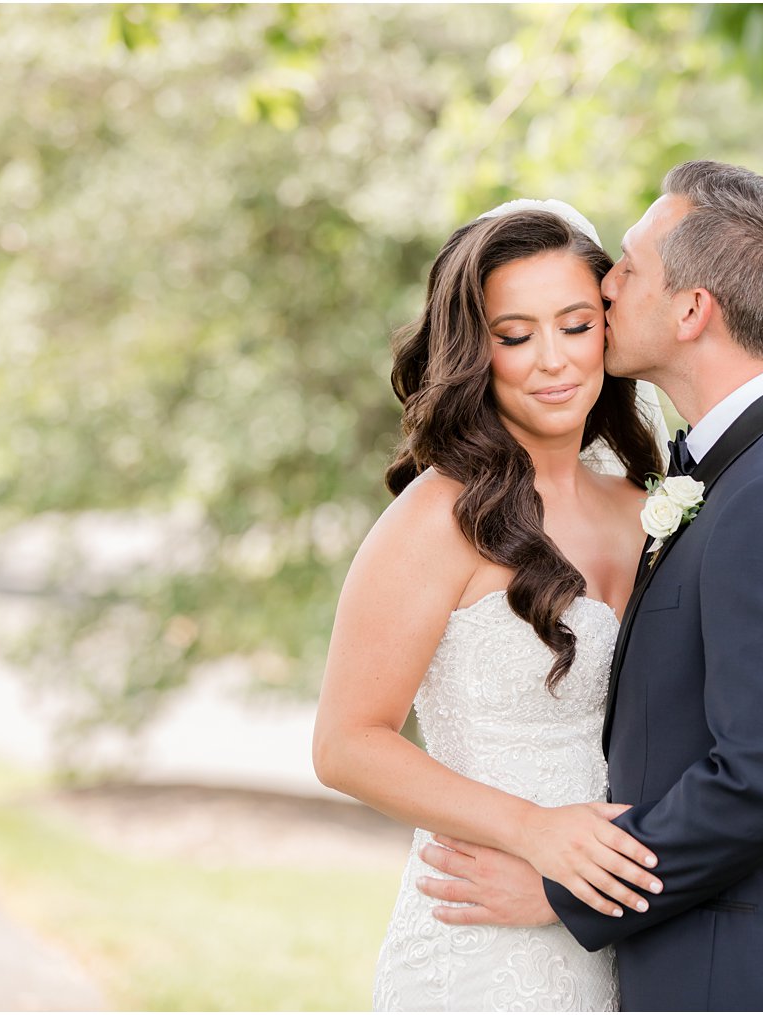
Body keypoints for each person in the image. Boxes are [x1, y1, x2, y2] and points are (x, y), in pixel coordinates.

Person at [415, 161, 763, 1011]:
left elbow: (762, 782)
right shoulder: (751, 474)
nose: (607, 284)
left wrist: (558, 891)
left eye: (629, 267)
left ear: (692, 310)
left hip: (751, 980)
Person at [312, 201, 671, 1011]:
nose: (553, 360)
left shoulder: (649, 506)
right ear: (476, 352)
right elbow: (345, 743)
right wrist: (532, 830)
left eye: (576, 325)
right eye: (515, 336)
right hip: (481, 936)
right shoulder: (436, 518)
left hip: (619, 935)